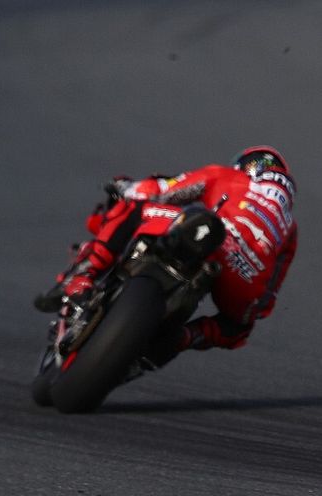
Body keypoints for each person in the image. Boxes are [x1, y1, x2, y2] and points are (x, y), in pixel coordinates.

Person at [35, 146, 298, 365]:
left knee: (135, 206)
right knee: (237, 328)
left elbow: (163, 190)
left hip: (209, 234)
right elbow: (270, 291)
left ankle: (84, 275)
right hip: (245, 277)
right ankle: (183, 337)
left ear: (245, 167)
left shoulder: (229, 177)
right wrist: (249, 311)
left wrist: (126, 187)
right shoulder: (290, 226)